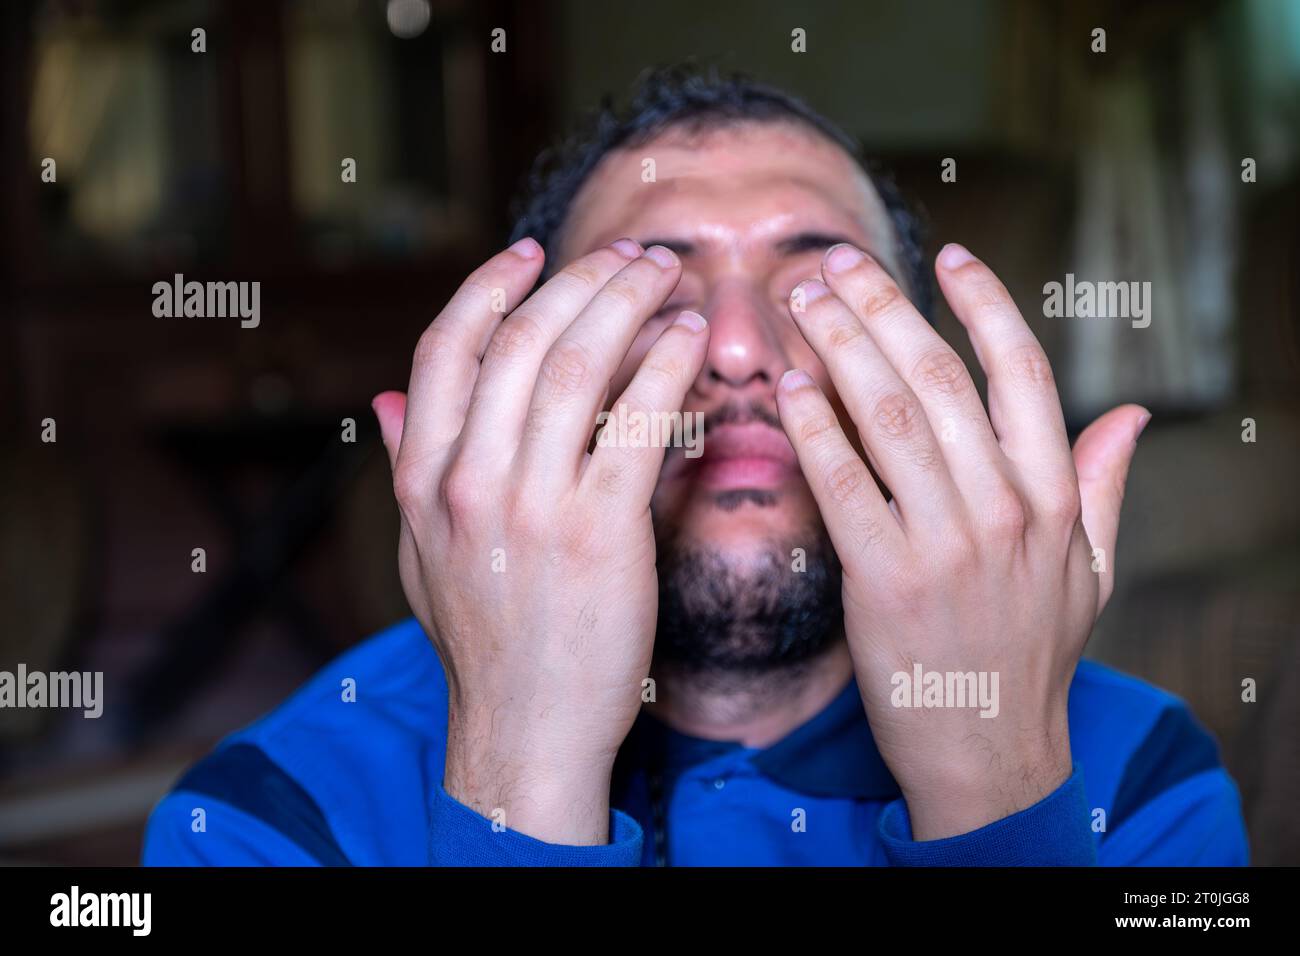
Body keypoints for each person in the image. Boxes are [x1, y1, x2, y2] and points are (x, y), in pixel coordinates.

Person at [143, 65, 1248, 866]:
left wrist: (999, 790)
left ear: (927, 379)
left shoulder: (1143, 777)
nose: (732, 347)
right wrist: (521, 769)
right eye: (652, 288)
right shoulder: (266, 817)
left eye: (822, 288)